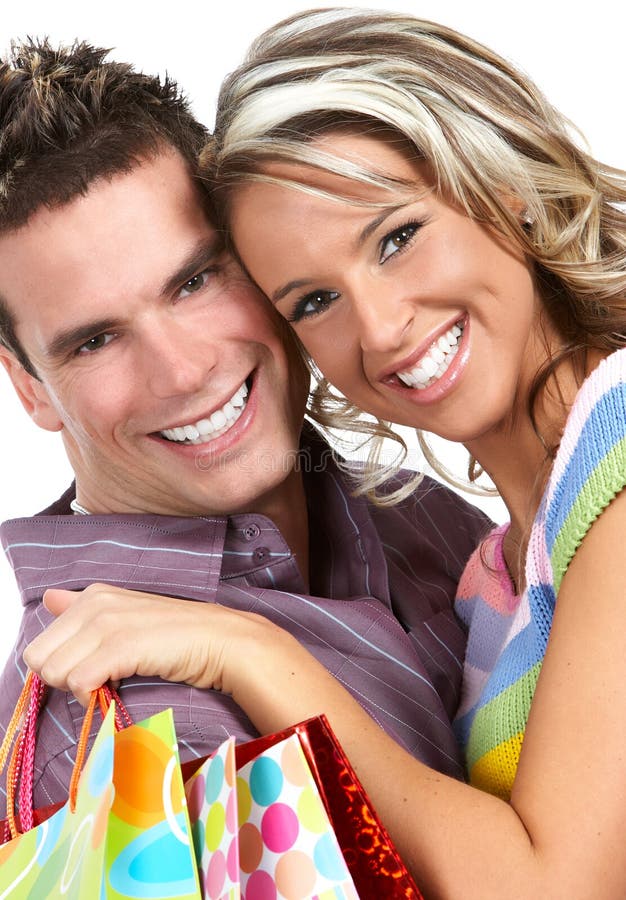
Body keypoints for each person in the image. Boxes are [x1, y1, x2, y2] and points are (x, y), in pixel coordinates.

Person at [197, 7, 625, 898]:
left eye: (396, 238)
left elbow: (553, 889)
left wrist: (253, 654)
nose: (382, 329)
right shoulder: (492, 579)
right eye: (314, 301)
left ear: (500, 182)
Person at [0, 37, 489, 812]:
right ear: (28, 386)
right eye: (96, 340)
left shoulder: (408, 510)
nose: (185, 371)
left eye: (195, 280)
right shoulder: (134, 743)